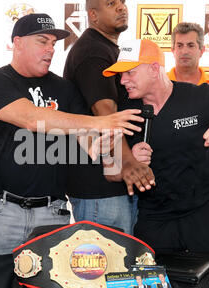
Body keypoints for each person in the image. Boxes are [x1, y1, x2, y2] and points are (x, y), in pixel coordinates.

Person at [0, 13, 154, 255]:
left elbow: (89, 144)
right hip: (1, 210)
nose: (50, 50)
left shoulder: (64, 89)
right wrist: (104, 121)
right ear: (17, 43)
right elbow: (32, 119)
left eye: (53, 44)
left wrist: (125, 160)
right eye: (42, 41)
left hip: (51, 213)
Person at [103, 39, 209, 252]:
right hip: (155, 219)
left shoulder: (199, 96)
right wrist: (128, 163)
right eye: (120, 75)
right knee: (157, 284)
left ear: (154, 69)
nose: (122, 80)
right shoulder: (122, 110)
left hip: (204, 215)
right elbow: (109, 171)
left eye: (129, 73)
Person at [63, 0, 152, 235]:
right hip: (100, 189)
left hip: (114, 184)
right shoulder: (93, 51)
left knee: (121, 266)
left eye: (122, 2)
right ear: (93, 14)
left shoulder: (107, 49)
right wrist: (127, 162)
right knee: (106, 267)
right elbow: (106, 112)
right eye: (111, 3)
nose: (121, 8)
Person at [167, 22, 209, 206]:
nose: (184, 51)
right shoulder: (160, 86)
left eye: (191, 45)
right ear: (172, 50)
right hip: (167, 187)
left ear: (201, 50)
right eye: (179, 46)